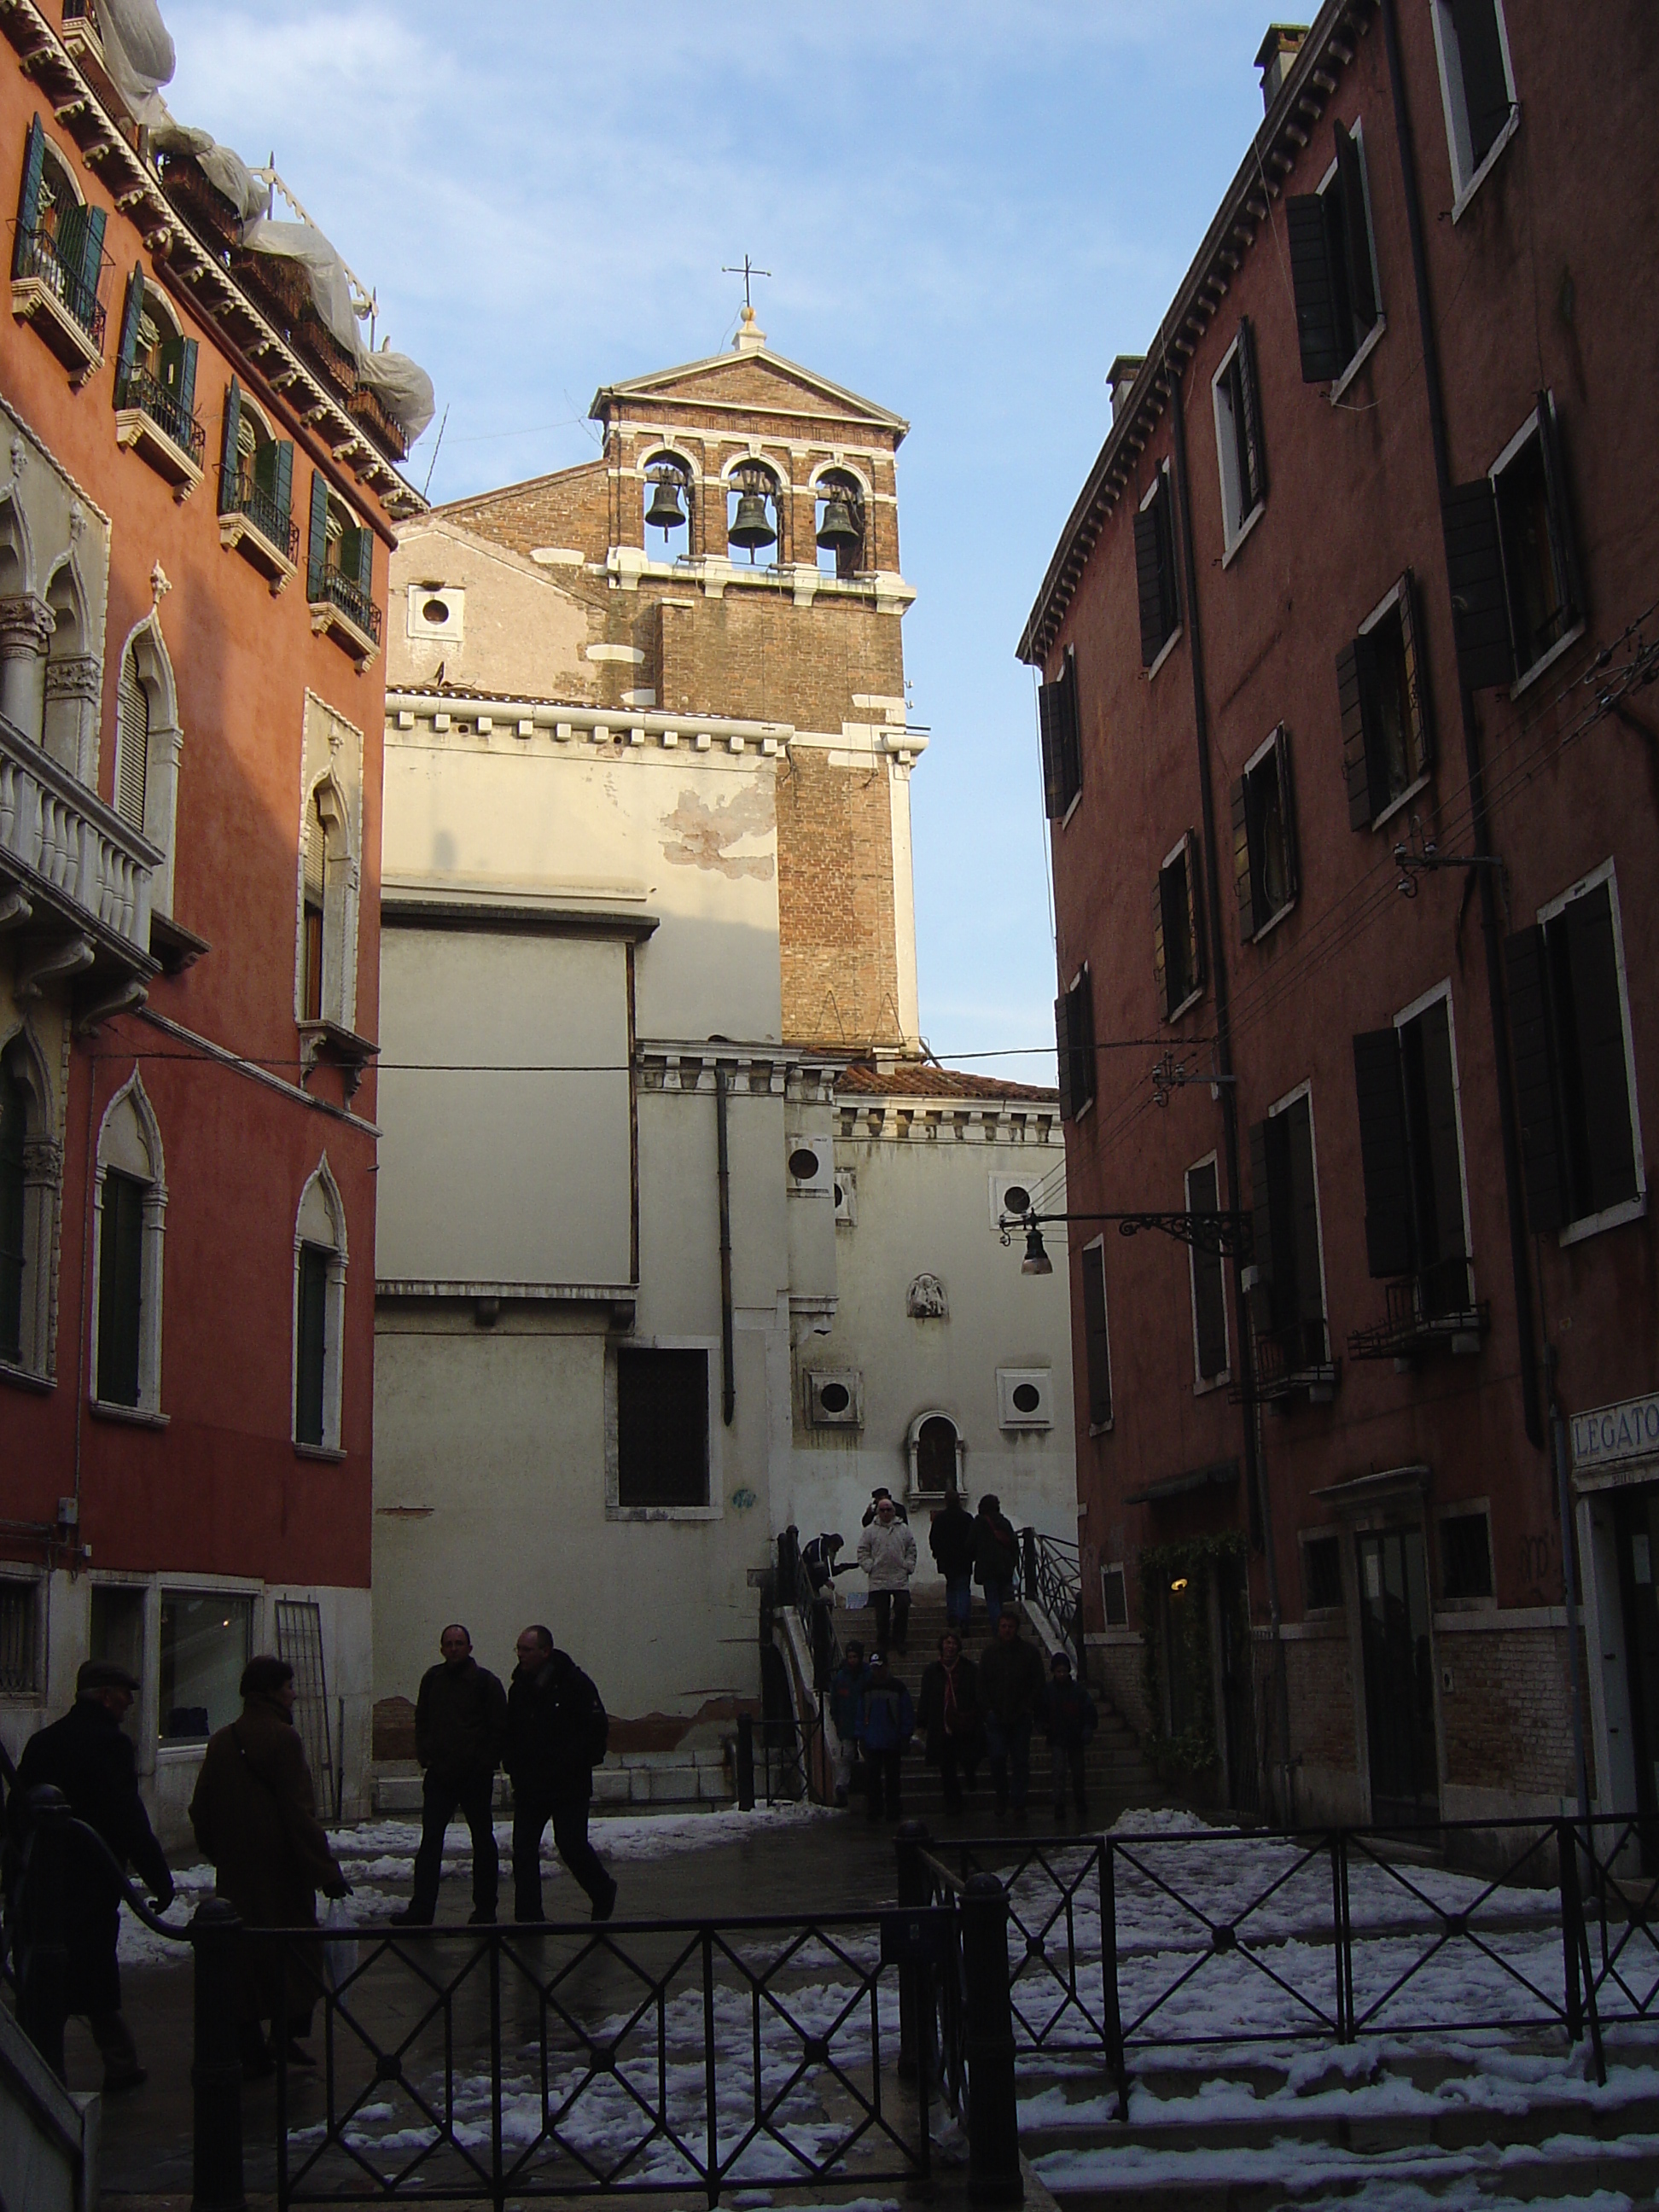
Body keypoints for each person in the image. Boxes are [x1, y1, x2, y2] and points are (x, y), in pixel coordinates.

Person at [11, 1659, 172, 2093]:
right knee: (94, 1973)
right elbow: (128, 1816)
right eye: (124, 1693)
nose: (129, 1702)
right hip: (91, 1879)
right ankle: (116, 2064)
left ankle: (37, 2062)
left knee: (47, 1973)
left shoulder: (44, 1742)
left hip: (44, 1881)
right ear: (104, 1696)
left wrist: (14, 1873)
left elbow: (17, 1812)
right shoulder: (111, 1744)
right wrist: (158, 1876)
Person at [189, 1655, 349, 2077]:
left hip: (238, 1873)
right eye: (289, 1686)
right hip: (283, 1871)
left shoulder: (223, 1739)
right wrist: (326, 1872)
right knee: (296, 1953)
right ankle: (284, 2035)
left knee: (245, 1959)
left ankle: (249, 2043)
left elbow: (199, 1806)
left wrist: (219, 1851)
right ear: (273, 1692)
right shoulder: (283, 1738)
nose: (294, 1693)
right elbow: (299, 1813)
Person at [391, 1624, 507, 1927]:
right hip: (440, 1775)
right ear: (442, 1649)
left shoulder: (486, 1683)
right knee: (430, 1843)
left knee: (482, 1841)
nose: (454, 1648)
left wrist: (485, 1763)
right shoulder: (432, 1680)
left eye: (459, 1643)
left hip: (474, 1777)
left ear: (470, 1648)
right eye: (448, 1643)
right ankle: (422, 1908)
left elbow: (499, 1728)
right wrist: (426, 1753)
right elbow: (423, 1720)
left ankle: (485, 1909)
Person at [505, 1625, 617, 1924]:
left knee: (571, 1845)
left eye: (526, 1650)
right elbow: (513, 1731)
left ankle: (602, 1890)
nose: (520, 1655)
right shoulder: (519, 1687)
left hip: (568, 1784)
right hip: (531, 1784)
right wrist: (513, 1765)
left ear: (546, 1651)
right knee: (524, 1849)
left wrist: (572, 1762)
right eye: (518, 1649)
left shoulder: (574, 1683)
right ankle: (528, 1915)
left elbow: (595, 1729)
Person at [977, 1611, 1048, 1819]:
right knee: (997, 1757)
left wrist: (1028, 1707)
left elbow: (1038, 1682)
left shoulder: (1029, 1653)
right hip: (997, 1715)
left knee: (1020, 1760)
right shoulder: (990, 1654)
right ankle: (1001, 1795)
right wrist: (988, 1710)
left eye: (1010, 1626)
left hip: (1020, 1716)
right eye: (1003, 1626)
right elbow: (981, 1683)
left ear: (1016, 1629)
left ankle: (1018, 1801)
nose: (1007, 1630)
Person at [917, 1631, 982, 1814]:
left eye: (953, 1643)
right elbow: (926, 1697)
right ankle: (952, 1800)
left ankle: (969, 1776)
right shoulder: (932, 1671)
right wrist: (921, 1722)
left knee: (968, 1757)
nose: (950, 1647)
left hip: (964, 1720)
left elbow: (977, 1694)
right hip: (941, 1723)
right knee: (946, 1765)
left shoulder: (969, 1669)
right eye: (947, 1643)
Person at [857, 1652, 914, 1825]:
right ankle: (876, 1809)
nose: (877, 1671)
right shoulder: (866, 1688)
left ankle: (892, 1809)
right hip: (873, 1740)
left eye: (880, 1667)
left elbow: (906, 1713)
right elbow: (860, 1714)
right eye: (874, 1668)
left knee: (892, 1780)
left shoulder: (897, 1688)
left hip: (892, 1740)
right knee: (873, 1780)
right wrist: (861, 1736)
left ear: (886, 1666)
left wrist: (905, 1735)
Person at [858, 1495, 917, 1655]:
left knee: (903, 1607)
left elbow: (911, 1548)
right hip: (879, 1578)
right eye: (882, 1510)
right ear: (878, 1512)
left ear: (894, 1511)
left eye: (888, 1510)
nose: (885, 1513)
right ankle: (883, 1641)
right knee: (882, 1613)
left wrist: (908, 1566)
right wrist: (869, 1566)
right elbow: (863, 1550)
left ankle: (899, 1640)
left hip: (899, 1576)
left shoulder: (903, 1529)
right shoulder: (870, 1531)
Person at [1044, 1651, 1097, 1825]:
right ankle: (1059, 1804)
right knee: (1059, 1771)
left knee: (1077, 1771)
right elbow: (1041, 1711)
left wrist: (1087, 1728)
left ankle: (1079, 1801)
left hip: (1075, 1736)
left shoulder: (1077, 1691)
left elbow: (1089, 1710)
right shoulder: (1049, 1691)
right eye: (1058, 1671)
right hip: (1058, 1736)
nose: (1061, 1675)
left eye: (1064, 1671)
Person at [827, 1639, 870, 1808]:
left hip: (864, 1723)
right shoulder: (841, 1677)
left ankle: (867, 1786)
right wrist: (837, 1719)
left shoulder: (867, 1675)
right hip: (847, 1724)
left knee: (866, 1755)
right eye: (850, 1656)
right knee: (846, 1756)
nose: (852, 1660)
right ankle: (842, 1787)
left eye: (855, 1657)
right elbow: (835, 1701)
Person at [928, 1492, 977, 1635]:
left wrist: (937, 1554)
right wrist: (971, 1555)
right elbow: (973, 1538)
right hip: (964, 1559)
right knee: (963, 1588)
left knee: (951, 1587)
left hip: (947, 1560)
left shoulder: (940, 1519)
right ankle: (963, 1619)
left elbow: (934, 1538)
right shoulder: (967, 1518)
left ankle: (952, 1615)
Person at [973, 1493, 1020, 1633]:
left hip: (987, 1568)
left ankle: (998, 1629)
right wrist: (1013, 1564)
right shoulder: (1004, 1522)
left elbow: (970, 1543)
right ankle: (1005, 1627)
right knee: (1000, 1599)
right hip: (1004, 1568)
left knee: (992, 1599)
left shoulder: (979, 1522)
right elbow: (1013, 1544)